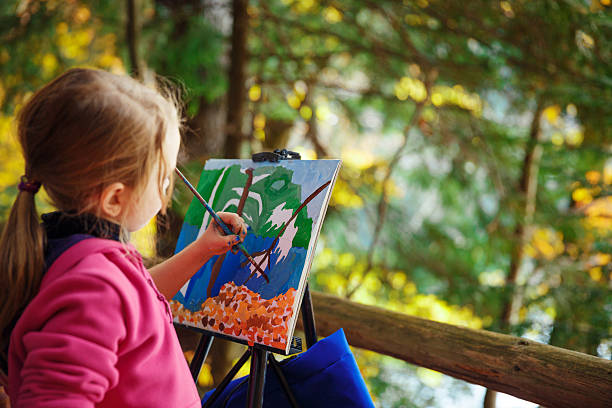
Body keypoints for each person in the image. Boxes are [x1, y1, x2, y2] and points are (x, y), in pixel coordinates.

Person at [0, 68, 247, 407]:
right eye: (162, 177)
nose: (167, 192)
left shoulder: (81, 258)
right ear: (115, 198)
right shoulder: (93, 285)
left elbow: (135, 302)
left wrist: (201, 250)